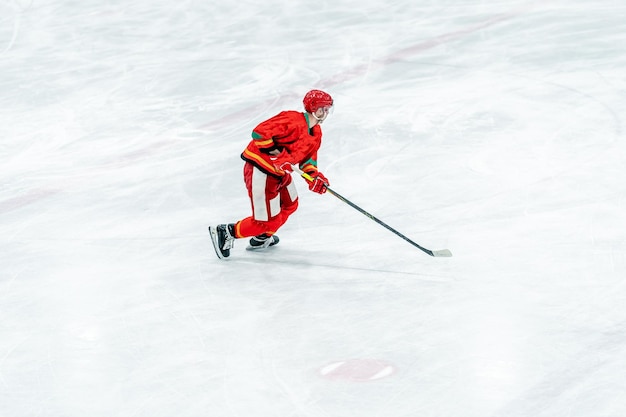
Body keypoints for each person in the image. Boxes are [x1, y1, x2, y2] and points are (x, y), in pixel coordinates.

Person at [209, 89, 334, 259]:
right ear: (312, 107)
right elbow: (259, 132)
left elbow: (307, 161)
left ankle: (262, 237)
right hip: (261, 171)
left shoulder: (316, 133)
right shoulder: (292, 120)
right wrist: (277, 153)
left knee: (290, 204)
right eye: (322, 109)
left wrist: (315, 177)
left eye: (328, 109)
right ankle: (227, 232)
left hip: (280, 174)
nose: (325, 113)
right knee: (263, 221)